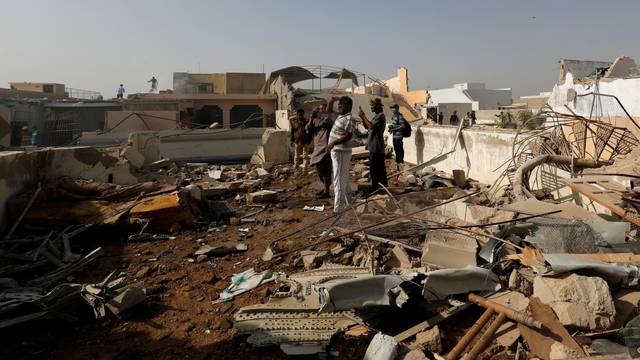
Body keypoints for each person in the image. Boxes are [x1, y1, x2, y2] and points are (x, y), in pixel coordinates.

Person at [323, 96, 356, 213]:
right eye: (339, 104)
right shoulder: (341, 116)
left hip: (341, 151)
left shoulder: (349, 118)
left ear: (348, 106)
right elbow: (328, 111)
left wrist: (333, 143)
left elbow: (349, 136)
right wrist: (331, 101)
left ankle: (338, 208)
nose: (339, 106)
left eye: (342, 104)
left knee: (338, 179)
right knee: (344, 178)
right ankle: (349, 203)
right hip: (337, 151)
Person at [358, 98, 387, 191]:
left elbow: (371, 126)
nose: (371, 108)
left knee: (375, 170)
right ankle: (380, 187)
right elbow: (367, 126)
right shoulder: (377, 116)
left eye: (372, 106)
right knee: (377, 169)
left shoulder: (380, 116)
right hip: (374, 147)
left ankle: (377, 188)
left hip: (377, 147)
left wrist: (364, 116)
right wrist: (362, 118)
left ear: (378, 106)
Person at [306, 106, 333, 198]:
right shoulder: (315, 121)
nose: (321, 110)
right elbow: (308, 129)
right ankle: (325, 188)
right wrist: (312, 117)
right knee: (319, 171)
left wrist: (326, 112)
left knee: (326, 170)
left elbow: (328, 122)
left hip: (326, 148)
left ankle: (327, 191)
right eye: (320, 109)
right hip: (317, 149)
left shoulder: (328, 120)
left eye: (323, 108)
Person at [388, 104, 408, 172]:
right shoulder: (394, 116)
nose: (392, 109)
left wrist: (394, 129)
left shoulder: (400, 116)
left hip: (399, 136)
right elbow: (394, 124)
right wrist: (391, 127)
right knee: (396, 149)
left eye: (393, 108)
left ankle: (400, 163)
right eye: (392, 108)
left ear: (397, 108)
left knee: (399, 149)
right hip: (394, 136)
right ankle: (397, 163)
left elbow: (403, 126)